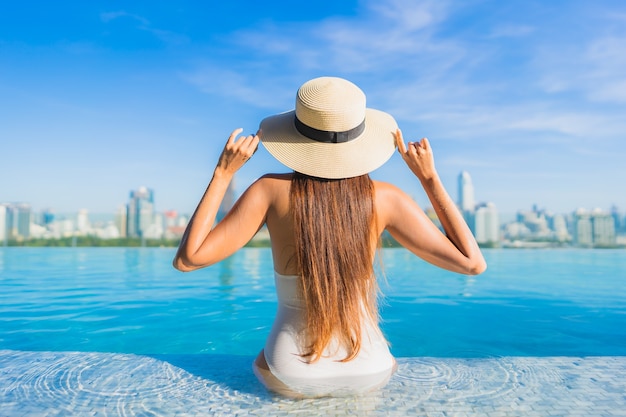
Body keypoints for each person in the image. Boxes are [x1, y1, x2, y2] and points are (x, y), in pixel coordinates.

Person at [173, 76, 486, 398]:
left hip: (291, 368)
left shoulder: (268, 190)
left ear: (295, 135)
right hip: (371, 367)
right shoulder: (387, 197)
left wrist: (223, 173)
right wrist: (429, 178)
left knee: (261, 366)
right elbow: (472, 264)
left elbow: (188, 260)